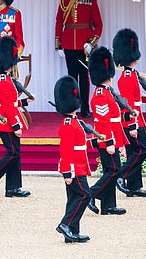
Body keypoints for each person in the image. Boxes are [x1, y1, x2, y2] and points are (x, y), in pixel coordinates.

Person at [54, 0, 102, 118]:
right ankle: (71, 107)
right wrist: (58, 44)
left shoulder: (91, 1)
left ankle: (85, 108)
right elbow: (59, 22)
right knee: (71, 77)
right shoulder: (64, 0)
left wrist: (91, 42)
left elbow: (98, 25)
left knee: (84, 78)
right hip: (68, 43)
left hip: (84, 45)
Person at [54, 75, 94, 244]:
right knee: (85, 195)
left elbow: (80, 144)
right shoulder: (69, 124)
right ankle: (66, 224)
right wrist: (67, 172)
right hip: (74, 167)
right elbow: (67, 150)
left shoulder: (74, 121)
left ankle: (72, 232)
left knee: (73, 198)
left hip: (79, 166)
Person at [87, 47, 127, 215]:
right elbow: (104, 122)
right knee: (113, 171)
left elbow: (115, 121)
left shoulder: (107, 92)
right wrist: (110, 142)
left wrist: (121, 142)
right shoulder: (101, 94)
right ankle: (91, 193)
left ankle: (108, 205)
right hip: (106, 139)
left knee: (112, 170)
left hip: (111, 138)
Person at [112, 29, 146, 198]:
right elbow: (128, 105)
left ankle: (134, 187)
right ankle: (121, 175)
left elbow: (136, 99)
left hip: (137, 119)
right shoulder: (127, 77)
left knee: (134, 151)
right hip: (133, 122)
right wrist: (132, 125)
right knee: (142, 151)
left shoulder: (132, 75)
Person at [0, 36, 33, 197]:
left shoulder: (5, 78)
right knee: (12, 153)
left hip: (8, 120)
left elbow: (11, 102)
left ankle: (13, 188)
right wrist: (16, 126)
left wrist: (25, 102)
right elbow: (8, 107)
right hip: (7, 123)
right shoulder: (3, 80)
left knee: (16, 154)